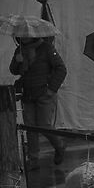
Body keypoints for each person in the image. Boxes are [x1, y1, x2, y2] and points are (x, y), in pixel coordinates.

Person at [10, 34, 65, 174]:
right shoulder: (19, 50)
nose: (24, 37)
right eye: (21, 34)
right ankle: (33, 160)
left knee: (44, 125)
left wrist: (51, 89)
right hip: (28, 93)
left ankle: (59, 145)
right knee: (30, 128)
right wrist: (17, 61)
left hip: (44, 93)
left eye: (27, 34)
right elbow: (13, 70)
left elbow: (61, 68)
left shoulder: (46, 48)